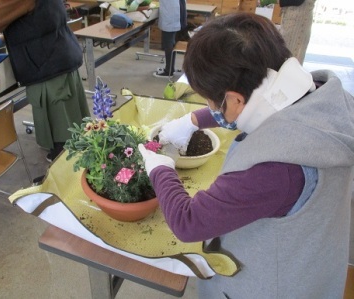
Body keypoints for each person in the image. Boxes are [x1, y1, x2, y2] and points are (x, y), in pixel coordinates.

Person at [138, 13, 354, 298]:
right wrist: (193, 120)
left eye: (210, 100)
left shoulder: (276, 168)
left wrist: (160, 167)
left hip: (271, 284)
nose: (208, 105)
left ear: (235, 99)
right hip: (309, 260)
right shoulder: (324, 96)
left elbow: (188, 223)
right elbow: (263, 100)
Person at [0, 0, 90, 163]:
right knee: (70, 121)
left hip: (47, 63)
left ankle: (63, 173)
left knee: (61, 130)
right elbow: (37, 18)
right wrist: (3, 39)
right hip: (60, 53)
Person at [153, 0, 187, 78]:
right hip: (176, 9)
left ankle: (168, 71)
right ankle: (170, 68)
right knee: (171, 42)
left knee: (168, 42)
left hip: (171, 13)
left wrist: (137, 2)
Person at [279, 0, 317, 64]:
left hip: (298, 20)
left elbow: (297, 1)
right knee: (286, 55)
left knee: (291, 57)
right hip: (293, 18)